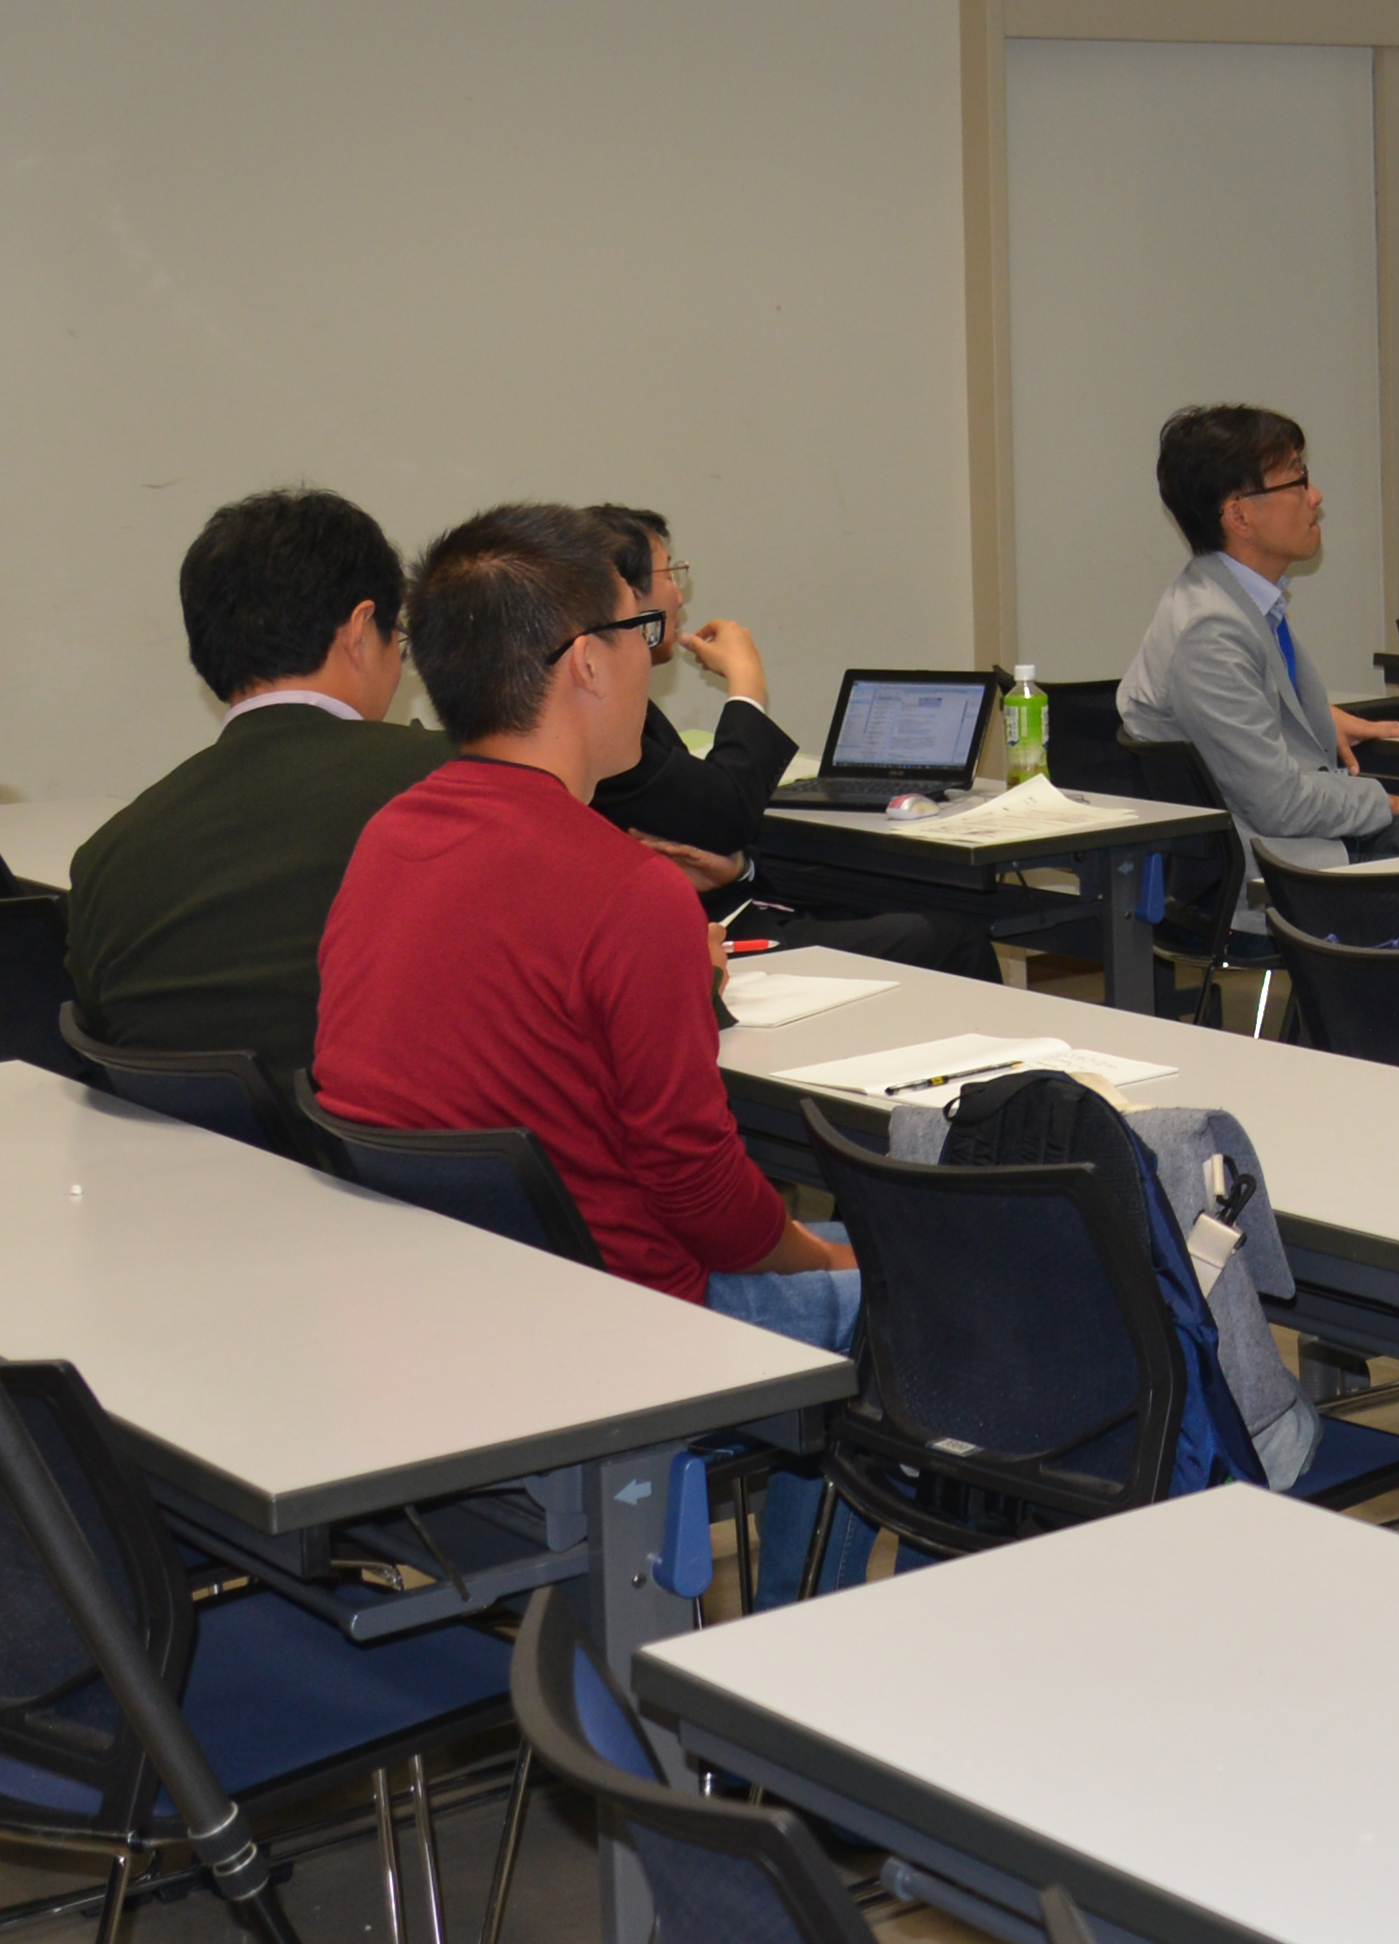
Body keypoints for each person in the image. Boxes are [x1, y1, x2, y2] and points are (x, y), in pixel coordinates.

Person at [313, 504, 870, 1599]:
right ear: (585, 662)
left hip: (444, 1313)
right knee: (959, 1288)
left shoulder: (391, 838)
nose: (651, 658)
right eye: (641, 633)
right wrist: (827, 1258)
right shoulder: (628, 890)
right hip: (626, 1326)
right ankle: (807, 1650)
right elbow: (700, 1189)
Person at [67, 489, 451, 1081]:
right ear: (358, 631)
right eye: (395, 639)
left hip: (175, 1136)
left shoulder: (106, 856)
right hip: (383, 1131)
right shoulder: (453, 784)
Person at [1117, 405, 1399, 867]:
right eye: (1296, 482)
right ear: (1240, 517)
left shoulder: (1225, 600)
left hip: (1305, 840)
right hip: (1292, 866)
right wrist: (1382, 802)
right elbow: (1279, 804)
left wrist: (1318, 720)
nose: (1315, 497)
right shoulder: (1211, 632)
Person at [579, 505, 998, 980]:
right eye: (668, 573)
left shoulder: (617, 708)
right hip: (698, 937)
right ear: (623, 595)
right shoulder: (601, 719)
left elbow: (701, 833)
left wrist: (738, 869)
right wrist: (747, 684)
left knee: (913, 918)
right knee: (952, 939)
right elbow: (725, 816)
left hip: (727, 902)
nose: (678, 594)